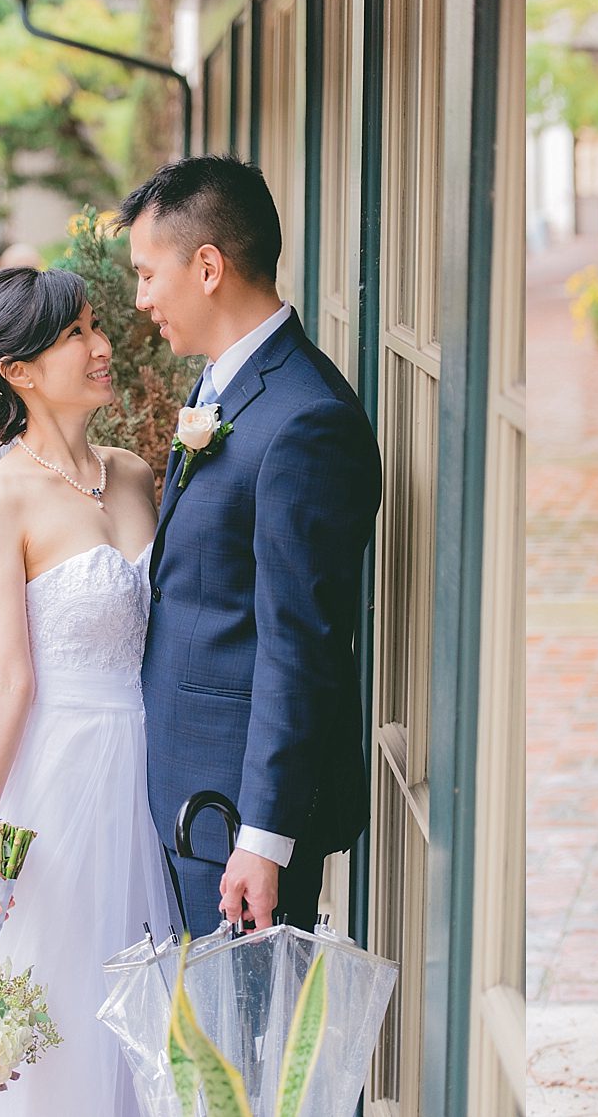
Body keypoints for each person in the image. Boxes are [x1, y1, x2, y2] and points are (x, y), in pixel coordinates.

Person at [0, 266, 171, 1115]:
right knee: (65, 1002)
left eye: (95, 325)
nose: (102, 345)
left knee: (144, 1006)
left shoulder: (131, 473)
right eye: (78, 333)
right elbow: (7, 678)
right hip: (62, 784)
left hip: (152, 771)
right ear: (17, 370)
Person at [118, 155, 382, 938]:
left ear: (207, 267)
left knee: (233, 1056)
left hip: (231, 815)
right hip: (183, 786)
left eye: (145, 274)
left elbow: (301, 643)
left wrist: (262, 841)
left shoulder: (307, 418)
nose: (140, 300)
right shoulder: (223, 384)